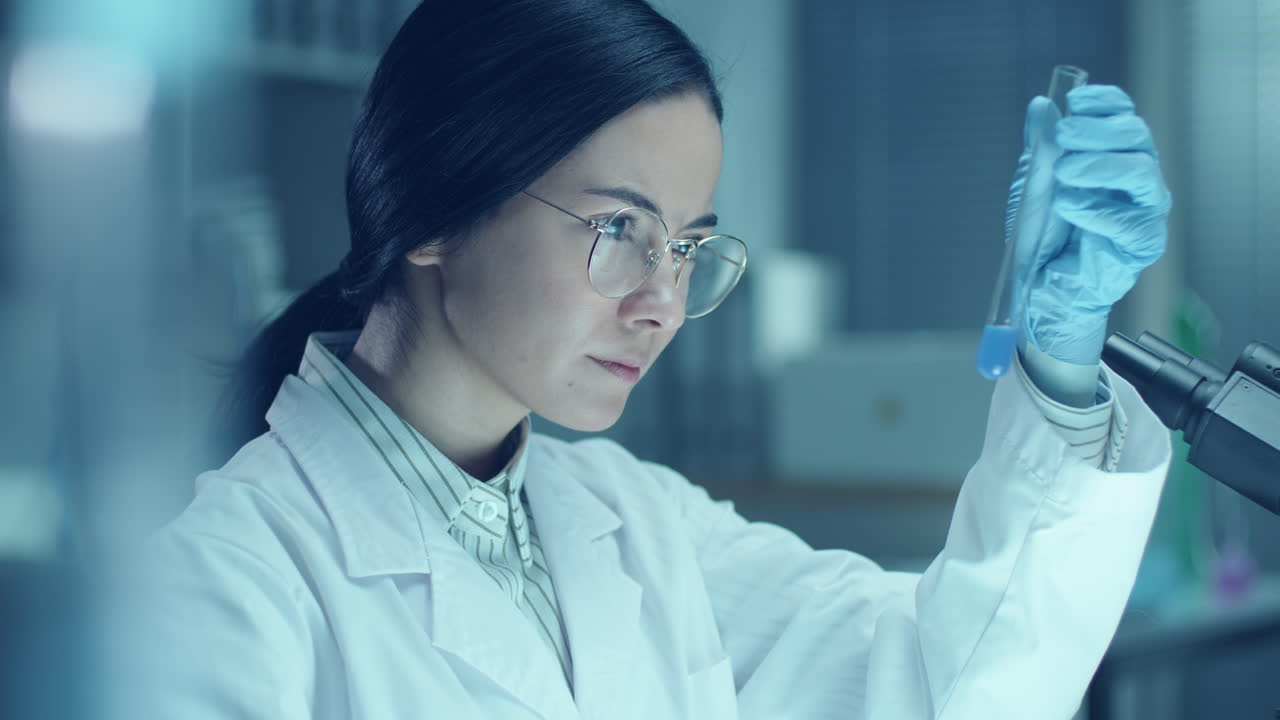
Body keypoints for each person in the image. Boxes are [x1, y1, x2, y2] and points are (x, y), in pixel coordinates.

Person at [135, 0, 1174, 717]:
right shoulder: (225, 586)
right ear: (431, 210)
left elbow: (939, 686)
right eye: (617, 230)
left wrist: (1058, 362)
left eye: (684, 246)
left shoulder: (636, 524)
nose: (663, 303)